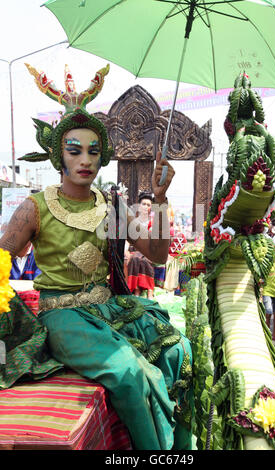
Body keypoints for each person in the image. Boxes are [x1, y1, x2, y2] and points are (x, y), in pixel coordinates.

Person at [0, 63, 193, 450]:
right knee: (127, 372)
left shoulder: (111, 205)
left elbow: (155, 254)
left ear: (102, 157)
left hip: (110, 308)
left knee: (177, 350)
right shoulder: (34, 207)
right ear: (59, 157)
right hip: (64, 316)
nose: (84, 159)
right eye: (74, 151)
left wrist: (158, 199)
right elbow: (2, 260)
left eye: (93, 151)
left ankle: (181, 449)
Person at [126, 192, 155, 299]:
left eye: (148, 205)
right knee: (134, 259)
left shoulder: (152, 222)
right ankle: (137, 290)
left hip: (148, 250)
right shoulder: (134, 222)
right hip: (135, 250)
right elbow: (128, 240)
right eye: (144, 204)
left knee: (144, 260)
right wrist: (126, 251)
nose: (146, 207)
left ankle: (150, 291)